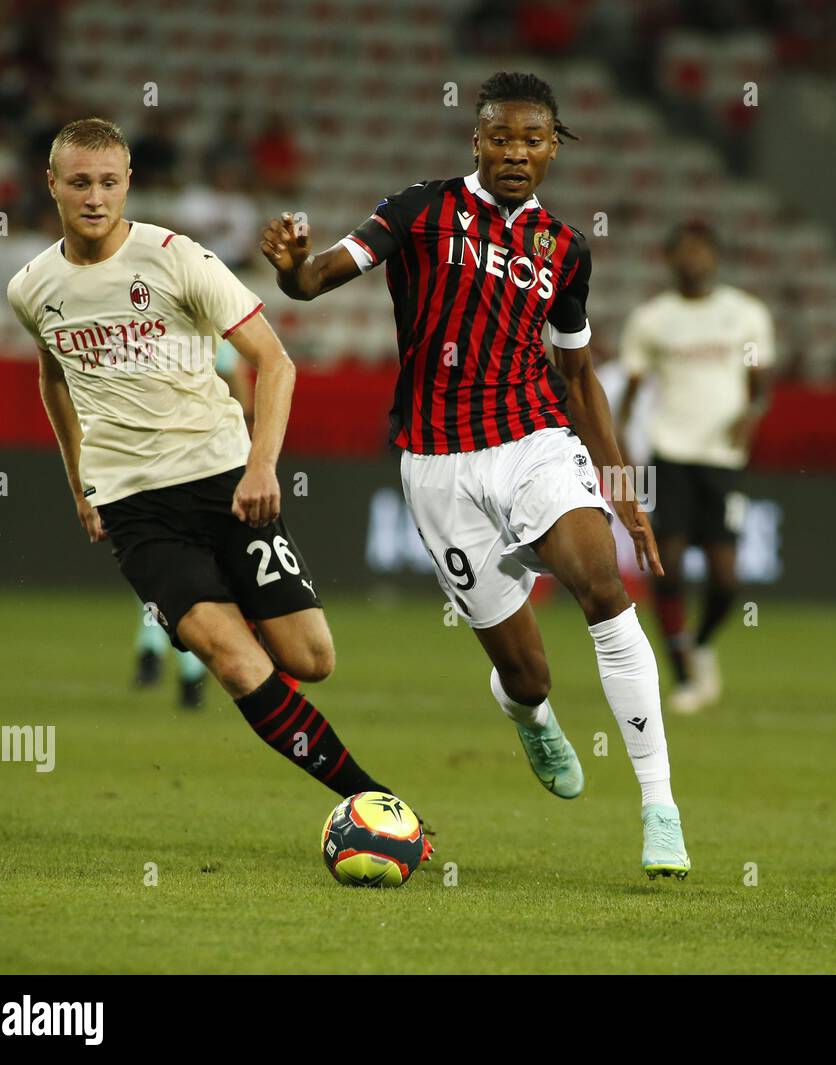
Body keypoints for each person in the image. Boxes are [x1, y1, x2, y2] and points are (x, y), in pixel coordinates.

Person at [260, 72, 689, 879]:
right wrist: (290, 268)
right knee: (526, 672)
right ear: (477, 141)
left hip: (534, 440)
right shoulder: (416, 211)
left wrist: (624, 492)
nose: (516, 152)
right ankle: (528, 713)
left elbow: (581, 376)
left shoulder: (566, 249)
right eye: (501, 137)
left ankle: (659, 806)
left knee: (602, 585)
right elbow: (317, 279)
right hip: (436, 465)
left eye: (533, 139)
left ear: (555, 146)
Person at [7, 118, 426, 845]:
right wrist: (80, 482)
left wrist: (262, 464)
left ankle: (227, 600)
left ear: (129, 181)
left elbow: (277, 362)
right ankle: (378, 804)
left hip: (225, 480)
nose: (95, 197)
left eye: (109, 181)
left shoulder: (177, 259)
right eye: (79, 182)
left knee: (310, 659)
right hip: (136, 507)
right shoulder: (32, 287)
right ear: (52, 185)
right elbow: (54, 378)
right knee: (236, 664)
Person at [617, 220, 773, 713]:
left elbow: (761, 384)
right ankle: (683, 673)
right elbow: (630, 393)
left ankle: (700, 642)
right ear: (670, 259)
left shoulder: (744, 314)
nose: (694, 259)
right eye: (684, 251)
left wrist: (749, 417)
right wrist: (620, 450)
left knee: (726, 578)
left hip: (723, 461)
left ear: (715, 257)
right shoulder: (652, 319)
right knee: (669, 565)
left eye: (701, 251)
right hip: (670, 454)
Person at [132, 338, 254, 708]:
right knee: (194, 573)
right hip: (201, 467)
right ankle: (189, 673)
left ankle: (155, 652)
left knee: (161, 569)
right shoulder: (210, 335)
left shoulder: (150, 334)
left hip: (158, 465)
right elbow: (245, 399)